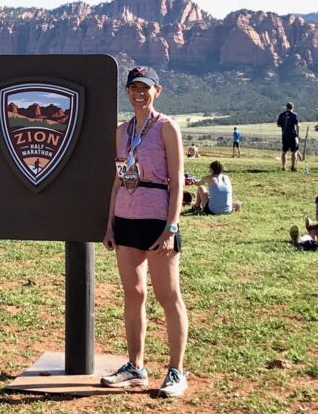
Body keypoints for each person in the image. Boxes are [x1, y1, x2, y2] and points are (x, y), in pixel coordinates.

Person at [102, 66, 189, 398]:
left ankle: (176, 372)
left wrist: (171, 226)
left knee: (168, 297)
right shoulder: (121, 131)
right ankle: (136, 366)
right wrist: (110, 223)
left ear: (157, 91)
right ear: (127, 92)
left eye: (145, 87)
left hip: (157, 223)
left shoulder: (167, 128)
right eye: (133, 87)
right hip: (126, 218)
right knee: (134, 293)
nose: (139, 92)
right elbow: (118, 178)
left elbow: (178, 179)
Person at [277, 102, 300, 171]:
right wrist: (297, 134)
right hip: (292, 135)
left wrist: (284, 127)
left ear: (286, 107)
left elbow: (278, 125)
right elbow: (297, 125)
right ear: (292, 107)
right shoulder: (294, 114)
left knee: (284, 151)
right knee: (294, 151)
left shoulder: (281, 115)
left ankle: (283, 167)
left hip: (284, 135)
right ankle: (293, 167)